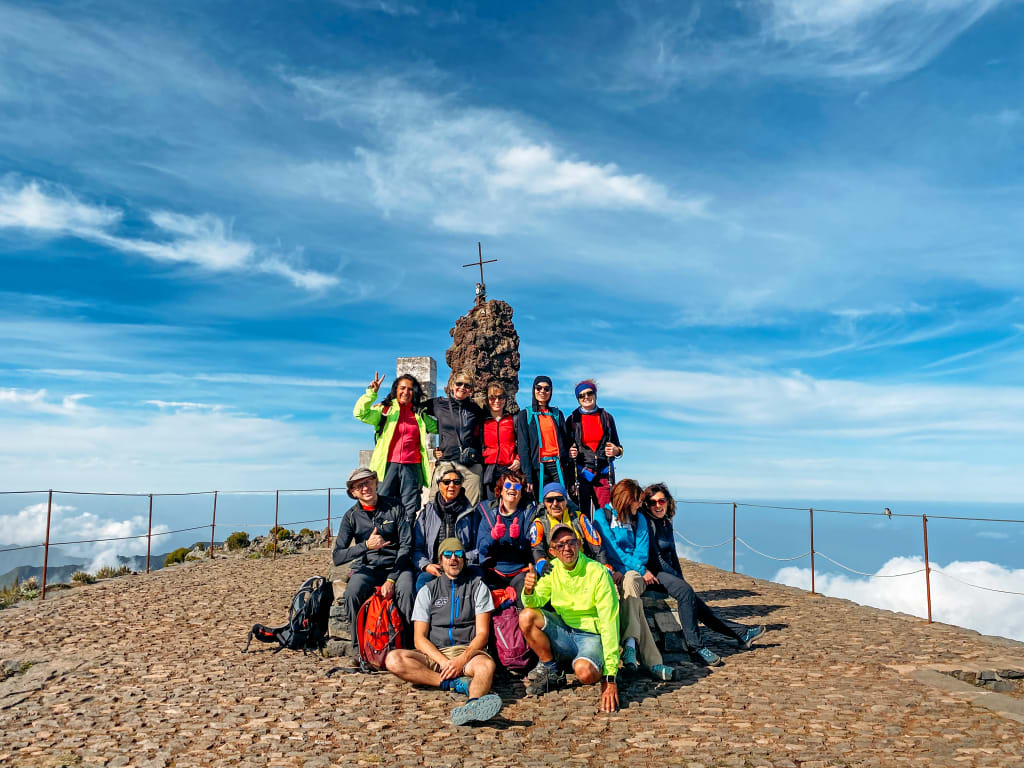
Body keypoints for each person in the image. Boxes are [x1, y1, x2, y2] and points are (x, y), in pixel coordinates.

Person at [643, 482, 766, 666]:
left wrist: (680, 577)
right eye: (653, 502)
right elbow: (657, 558)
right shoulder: (649, 524)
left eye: (662, 500)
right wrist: (679, 582)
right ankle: (696, 647)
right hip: (654, 573)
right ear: (647, 505)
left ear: (668, 501)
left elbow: (672, 554)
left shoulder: (666, 522)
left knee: (697, 604)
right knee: (686, 593)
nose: (658, 505)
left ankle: (742, 633)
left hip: (668, 573)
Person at [385, 538, 504, 725]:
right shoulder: (427, 591)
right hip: (435, 654)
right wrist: (445, 663)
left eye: (458, 555)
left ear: (464, 560)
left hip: (468, 654)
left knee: (486, 667)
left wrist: (461, 661)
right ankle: (454, 684)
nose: (453, 559)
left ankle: (473, 705)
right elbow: (419, 638)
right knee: (393, 659)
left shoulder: (478, 587)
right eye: (448, 555)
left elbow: (482, 634)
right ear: (440, 560)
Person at [519, 524, 620, 713]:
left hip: (591, 635)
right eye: (560, 545)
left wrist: (611, 676)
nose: (567, 548)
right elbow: (534, 601)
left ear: (579, 544)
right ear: (552, 551)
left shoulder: (597, 572)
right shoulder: (553, 569)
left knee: (585, 673)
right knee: (526, 617)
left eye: (571, 542)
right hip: (565, 631)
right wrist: (528, 590)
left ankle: (593, 662)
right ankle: (552, 669)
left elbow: (610, 622)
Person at [592, 479, 675, 681]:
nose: (640, 505)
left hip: (633, 574)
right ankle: (651, 661)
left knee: (629, 582)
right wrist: (618, 569)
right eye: (637, 501)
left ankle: (630, 646)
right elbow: (610, 548)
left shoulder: (639, 519)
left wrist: (635, 569)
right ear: (626, 500)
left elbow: (641, 552)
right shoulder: (601, 516)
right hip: (613, 571)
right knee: (632, 601)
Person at [332, 467, 415, 656]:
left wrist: (391, 580)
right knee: (352, 593)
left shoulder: (395, 507)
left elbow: (406, 546)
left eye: (368, 482)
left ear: (376, 483)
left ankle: (408, 648)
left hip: (398, 567)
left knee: (407, 591)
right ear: (352, 492)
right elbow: (338, 557)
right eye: (359, 486)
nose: (365, 488)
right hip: (368, 568)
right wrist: (366, 546)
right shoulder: (351, 516)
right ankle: (358, 648)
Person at [353, 372, 437, 521]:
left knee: (410, 509)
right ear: (395, 390)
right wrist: (371, 393)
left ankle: (406, 542)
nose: (406, 392)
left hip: (412, 467)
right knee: (384, 505)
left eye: (410, 389)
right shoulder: (385, 410)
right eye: (402, 388)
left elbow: (440, 427)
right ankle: (386, 542)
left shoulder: (419, 414)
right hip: (387, 466)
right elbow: (360, 414)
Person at [413, 462, 480, 593]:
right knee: (422, 583)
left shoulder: (471, 513)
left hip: (462, 565)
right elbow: (416, 548)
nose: (451, 486)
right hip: (435, 567)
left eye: (456, 482)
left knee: (479, 579)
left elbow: (478, 547)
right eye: (447, 482)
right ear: (439, 484)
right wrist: (426, 566)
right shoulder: (427, 513)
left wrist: (463, 560)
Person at [424, 370, 485, 504]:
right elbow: (415, 408)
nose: (462, 387)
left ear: (471, 390)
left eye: (467, 386)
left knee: (471, 505)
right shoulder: (438, 404)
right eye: (459, 383)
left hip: (469, 463)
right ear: (452, 385)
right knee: (434, 502)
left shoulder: (475, 409)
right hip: (446, 460)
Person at [475, 468, 536, 602]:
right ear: (501, 490)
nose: (512, 489)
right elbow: (481, 549)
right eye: (508, 485)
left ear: (521, 492)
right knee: (485, 600)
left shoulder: (529, 513)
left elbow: (533, 549)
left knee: (525, 599)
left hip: (520, 571)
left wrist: (518, 539)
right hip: (494, 571)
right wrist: (493, 536)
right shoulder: (489, 512)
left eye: (517, 486)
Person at [566, 380, 623, 518]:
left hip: (604, 474)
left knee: (605, 516)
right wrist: (569, 453)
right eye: (581, 395)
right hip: (581, 474)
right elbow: (566, 450)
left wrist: (616, 451)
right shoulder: (572, 420)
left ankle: (604, 540)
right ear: (578, 399)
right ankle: (584, 541)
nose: (586, 397)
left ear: (595, 394)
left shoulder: (607, 418)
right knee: (581, 516)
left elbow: (618, 447)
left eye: (589, 393)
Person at [530, 482, 609, 572]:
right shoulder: (539, 523)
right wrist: (541, 563)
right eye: (550, 500)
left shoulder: (579, 518)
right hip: (554, 570)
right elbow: (536, 549)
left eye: (559, 499)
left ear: (566, 501)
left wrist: (605, 565)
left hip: (581, 568)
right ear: (544, 503)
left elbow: (596, 544)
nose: (555, 504)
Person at [515, 375, 572, 499]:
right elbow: (523, 448)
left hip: (557, 466)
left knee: (560, 501)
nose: (542, 391)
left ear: (551, 392)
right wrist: (528, 476)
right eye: (538, 388)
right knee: (541, 504)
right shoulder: (525, 415)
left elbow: (566, 442)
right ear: (533, 390)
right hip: (538, 467)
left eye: (547, 389)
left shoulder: (557, 414)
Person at [481, 382, 520, 500]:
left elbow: (523, 443)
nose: (497, 401)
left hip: (509, 469)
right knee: (492, 505)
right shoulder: (483, 422)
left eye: (501, 397)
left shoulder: (513, 419)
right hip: (490, 470)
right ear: (487, 400)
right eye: (492, 397)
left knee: (509, 504)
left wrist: (518, 459)